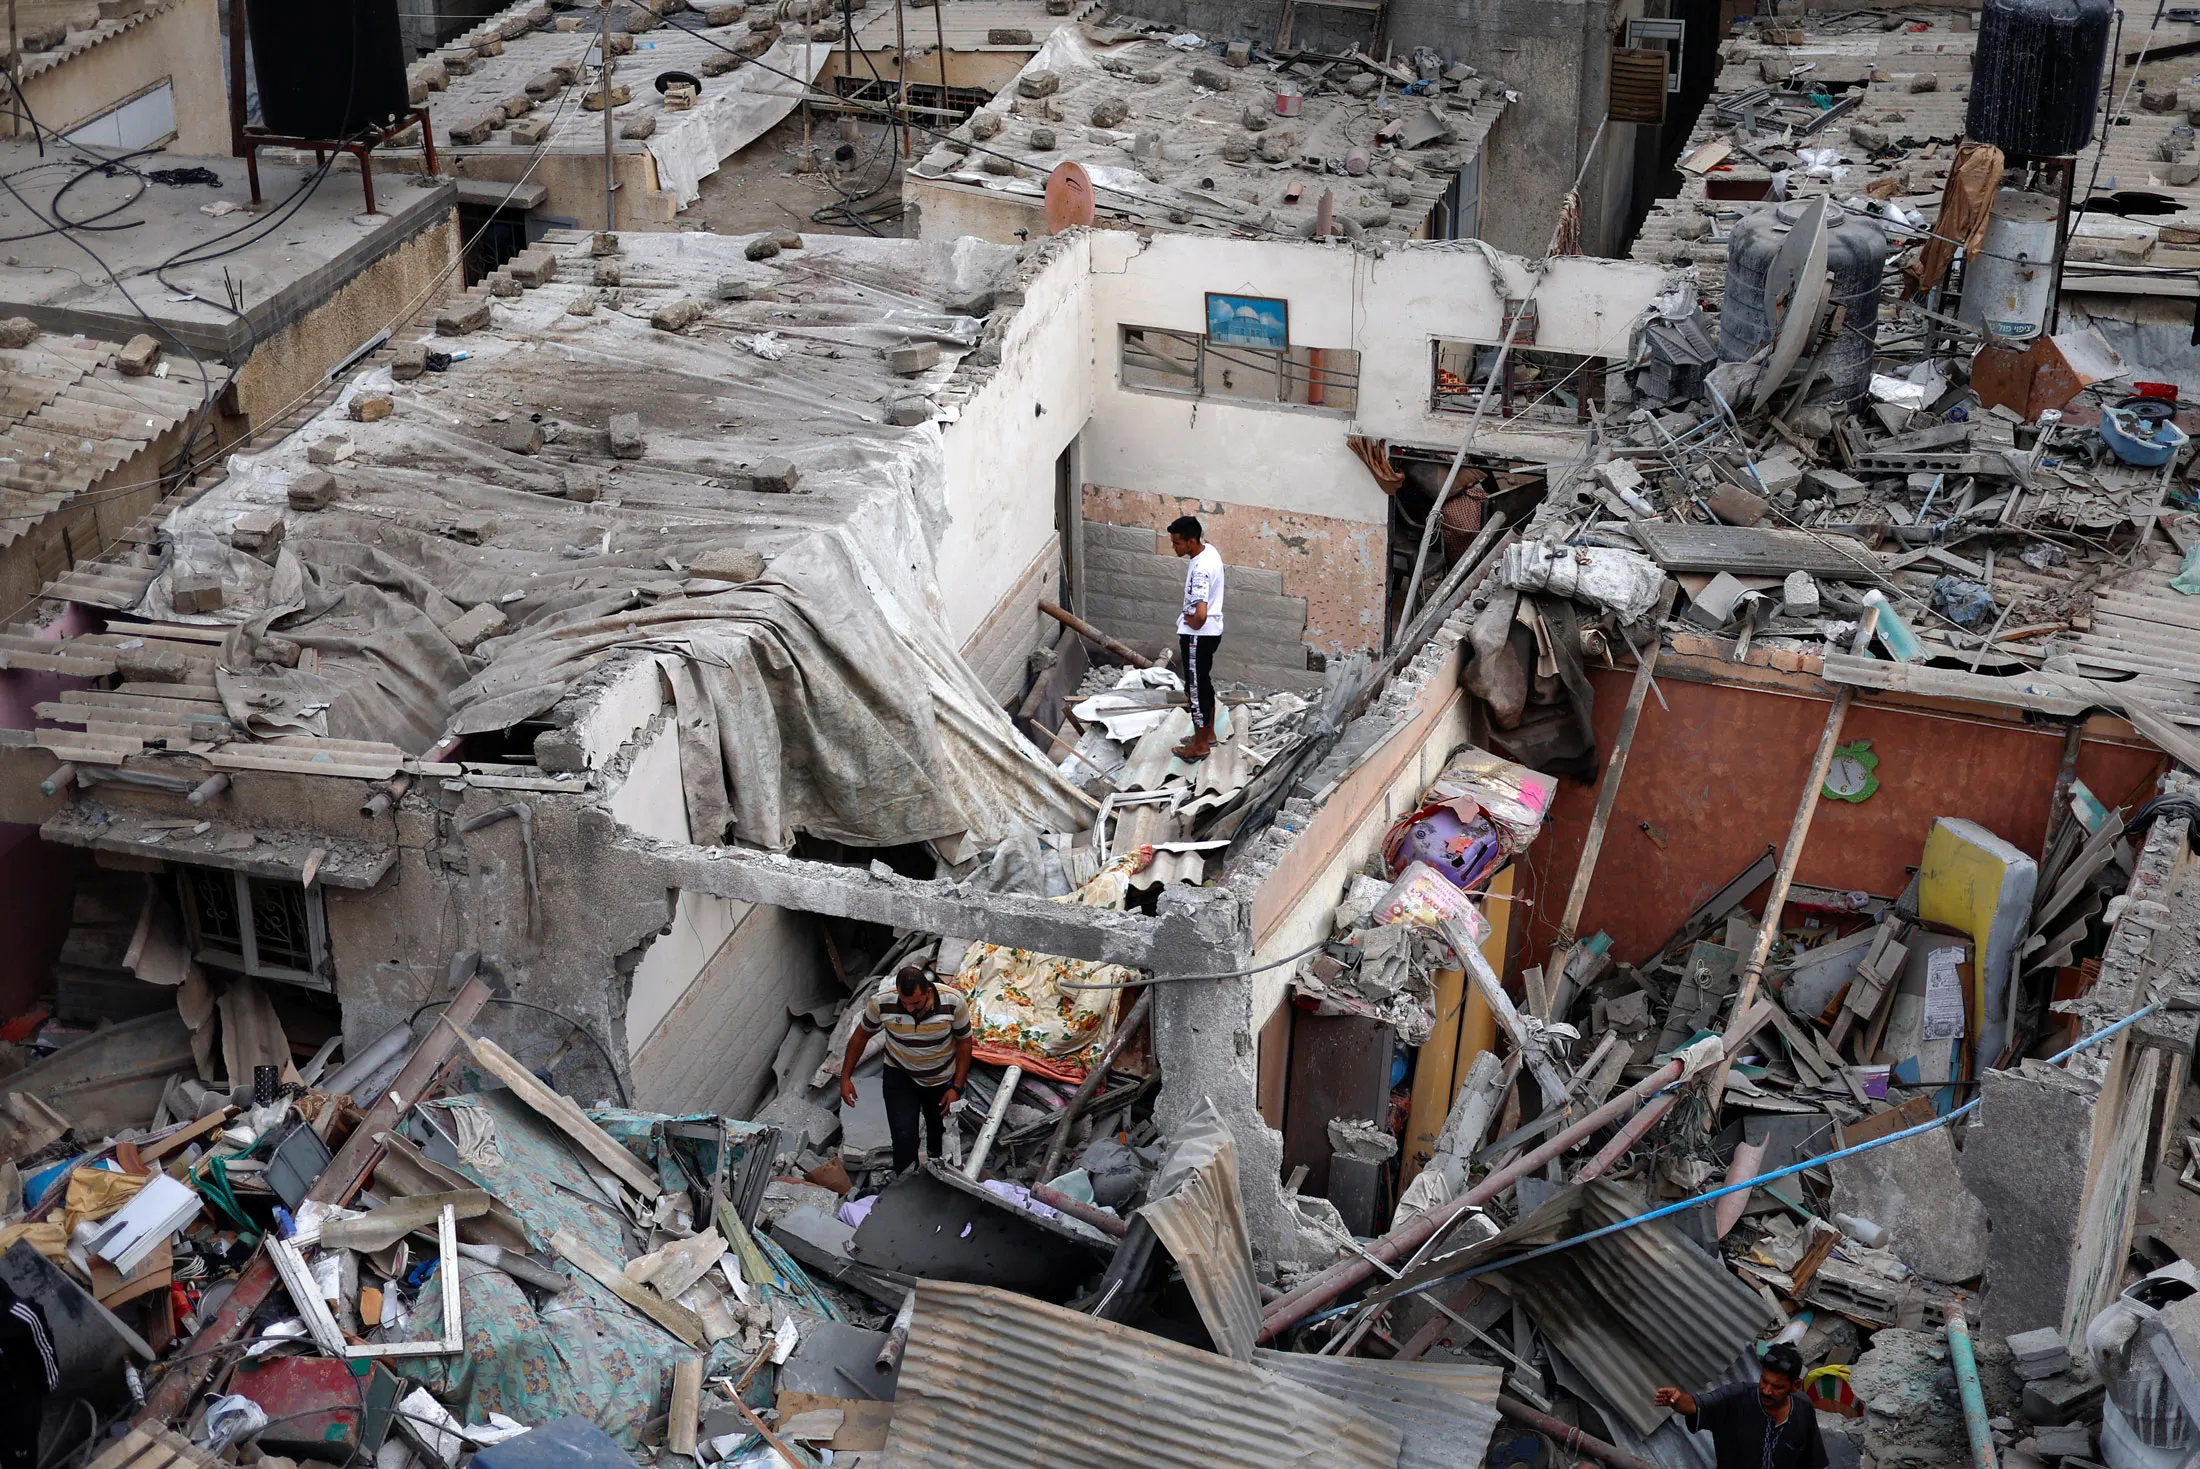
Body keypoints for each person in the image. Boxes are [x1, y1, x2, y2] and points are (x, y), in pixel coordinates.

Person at [840, 963, 974, 1174]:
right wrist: (845, 1077)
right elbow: (860, 1036)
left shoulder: (953, 1002)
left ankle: (937, 1175)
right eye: (904, 1003)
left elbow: (965, 1043)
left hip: (940, 1079)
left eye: (916, 1003)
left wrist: (956, 1087)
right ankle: (905, 1180)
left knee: (939, 1133)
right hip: (900, 1075)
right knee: (903, 1136)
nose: (910, 1009)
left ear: (928, 991)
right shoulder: (882, 1002)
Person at [1654, 1344, 1827, 1469]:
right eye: (1764, 1381)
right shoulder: (1736, 1398)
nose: (1766, 1391)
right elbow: (1696, 1405)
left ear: (1794, 1385)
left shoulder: (1803, 1408)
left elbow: (1814, 1461)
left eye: (1777, 1387)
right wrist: (1677, 1401)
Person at [1168, 514, 1226, 761]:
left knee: (1194, 690)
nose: (1174, 547)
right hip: (1212, 633)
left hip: (1197, 636)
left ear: (1192, 541)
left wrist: (1192, 621)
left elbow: (1200, 613)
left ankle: (1200, 745)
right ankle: (1208, 734)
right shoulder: (1209, 552)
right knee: (1204, 683)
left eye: (1178, 543)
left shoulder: (1200, 569)